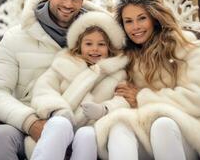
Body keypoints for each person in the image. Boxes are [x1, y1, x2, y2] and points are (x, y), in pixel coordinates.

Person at [0, 0, 105, 160]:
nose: (68, 4)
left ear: (83, 0)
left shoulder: (98, 39)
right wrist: (30, 122)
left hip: (82, 121)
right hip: (29, 119)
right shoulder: (16, 38)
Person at [93, 0, 200, 160]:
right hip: (144, 132)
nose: (135, 27)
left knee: (162, 125)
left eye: (141, 18)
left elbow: (198, 100)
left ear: (154, 18)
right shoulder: (127, 55)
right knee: (118, 126)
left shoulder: (186, 46)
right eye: (128, 21)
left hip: (187, 131)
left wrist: (142, 98)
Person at [29, 11, 129, 160]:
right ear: (79, 45)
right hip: (62, 123)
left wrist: (104, 109)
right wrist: (58, 109)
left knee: (87, 135)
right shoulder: (62, 64)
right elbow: (44, 89)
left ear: (110, 48)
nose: (94, 49)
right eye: (88, 44)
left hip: (92, 127)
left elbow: (123, 100)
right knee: (59, 123)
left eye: (101, 44)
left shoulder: (118, 74)